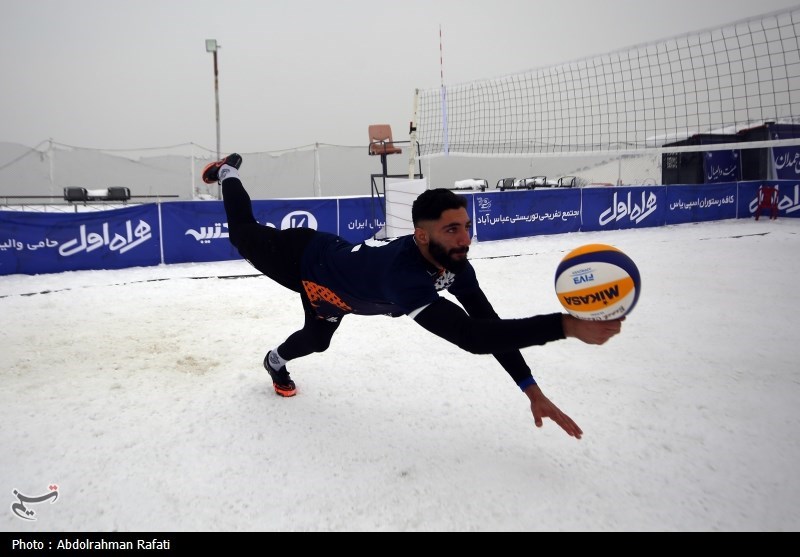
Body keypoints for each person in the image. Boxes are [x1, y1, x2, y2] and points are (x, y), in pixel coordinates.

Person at [203, 153, 624, 439]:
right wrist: (566, 325)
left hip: (337, 294)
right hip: (305, 261)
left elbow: (490, 327)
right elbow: (471, 337)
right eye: (451, 230)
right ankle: (229, 173)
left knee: (317, 341)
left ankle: (274, 360)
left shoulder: (457, 267)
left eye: (465, 227)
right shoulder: (403, 277)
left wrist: (532, 390)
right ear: (422, 236)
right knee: (242, 235)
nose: (465, 240)